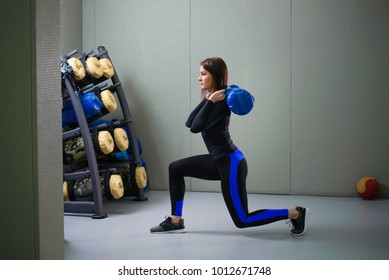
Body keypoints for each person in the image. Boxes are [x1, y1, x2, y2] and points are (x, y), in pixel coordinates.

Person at [150, 57, 309, 235]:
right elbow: (189, 122)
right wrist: (207, 99)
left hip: (231, 164)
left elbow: (196, 128)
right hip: (219, 161)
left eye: (203, 74)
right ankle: (175, 220)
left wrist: (210, 102)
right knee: (176, 168)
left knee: (242, 220)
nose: (199, 78)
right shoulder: (214, 98)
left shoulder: (223, 100)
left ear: (215, 76)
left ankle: (296, 213)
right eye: (199, 74)